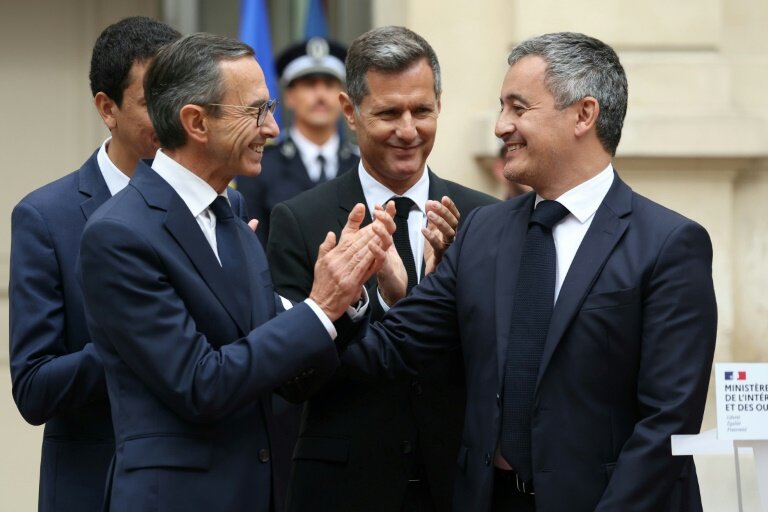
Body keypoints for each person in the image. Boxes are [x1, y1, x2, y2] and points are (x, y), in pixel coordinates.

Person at [343, 32, 718, 511]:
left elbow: (667, 422)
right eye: (502, 108)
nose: (501, 127)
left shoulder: (668, 244)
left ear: (584, 115)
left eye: (518, 108)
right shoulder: (483, 230)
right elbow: (396, 346)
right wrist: (337, 301)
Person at [77, 33, 394, 512]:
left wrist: (345, 302)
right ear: (196, 122)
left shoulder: (231, 213)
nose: (271, 128)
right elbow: (202, 384)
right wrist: (318, 306)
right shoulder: (120, 234)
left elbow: (285, 377)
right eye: (256, 112)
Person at [269, 26, 497, 512]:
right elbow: (290, 380)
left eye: (422, 111)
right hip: (344, 487)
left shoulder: (483, 219)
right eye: (389, 113)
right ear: (350, 112)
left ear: (440, 104)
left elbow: (500, 363)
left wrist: (432, 294)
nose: (409, 130)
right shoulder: (301, 220)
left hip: (454, 484)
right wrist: (337, 303)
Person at [8, 17, 180, 512]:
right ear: (107, 108)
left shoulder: (221, 206)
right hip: (95, 487)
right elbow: (35, 387)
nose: (174, 116)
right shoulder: (46, 216)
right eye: (153, 102)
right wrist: (136, 343)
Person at [237, 37, 359, 246]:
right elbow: (254, 247)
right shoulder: (260, 166)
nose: (320, 95)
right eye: (310, 85)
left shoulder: (362, 164)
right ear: (289, 97)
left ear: (343, 99)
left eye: (329, 85)